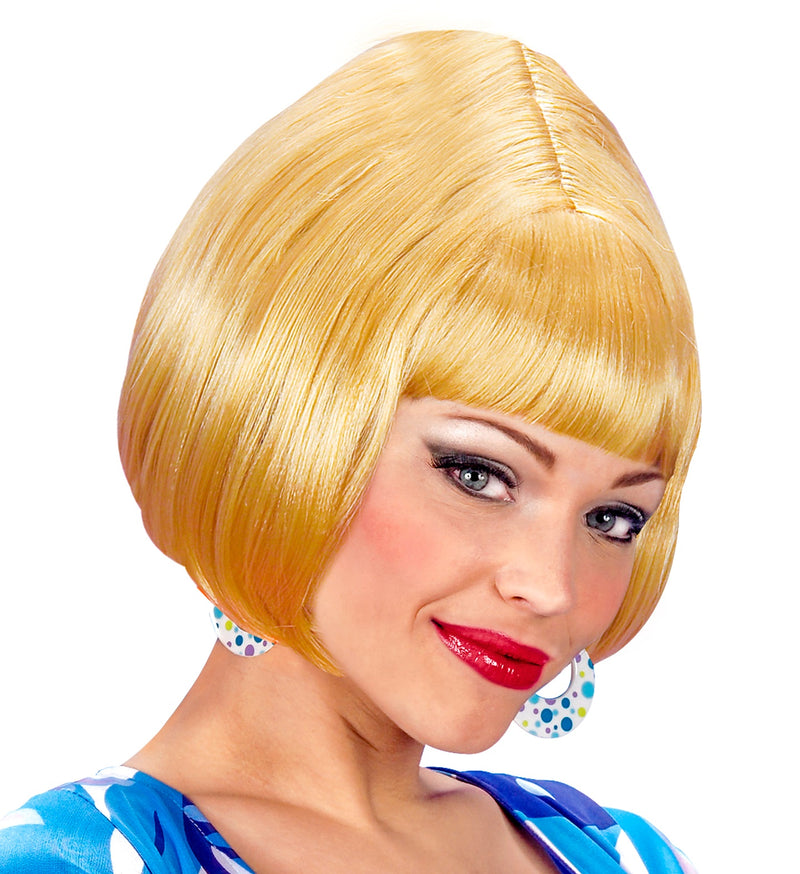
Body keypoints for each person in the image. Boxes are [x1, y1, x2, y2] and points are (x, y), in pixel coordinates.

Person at [0, 29, 700, 873]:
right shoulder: (77, 861)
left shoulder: (624, 854)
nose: (551, 586)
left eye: (613, 517)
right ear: (281, 425)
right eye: (479, 474)